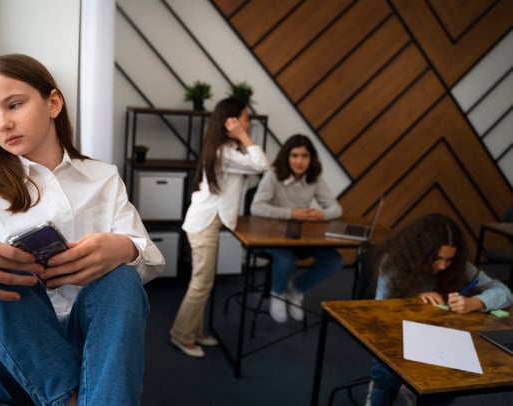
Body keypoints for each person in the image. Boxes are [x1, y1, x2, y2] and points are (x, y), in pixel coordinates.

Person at [0, 54, 165, 406]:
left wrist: (125, 249)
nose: (3, 124)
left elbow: (146, 266)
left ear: (53, 102)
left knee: (122, 278)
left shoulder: (103, 177)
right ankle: (69, 399)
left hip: (86, 339)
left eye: (14, 105)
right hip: (6, 355)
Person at [366, 213, 513, 406]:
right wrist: (415, 298)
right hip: (398, 339)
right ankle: (382, 390)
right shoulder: (394, 263)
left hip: (441, 340)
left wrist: (476, 302)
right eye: (437, 258)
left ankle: (414, 393)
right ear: (420, 251)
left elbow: (504, 292)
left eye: (449, 260)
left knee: (450, 383)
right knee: (385, 376)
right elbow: (380, 312)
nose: (443, 266)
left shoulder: (459, 266)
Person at [169, 97, 270, 358]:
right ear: (231, 122)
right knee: (201, 282)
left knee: (205, 281)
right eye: (245, 119)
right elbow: (262, 165)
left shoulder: (225, 149)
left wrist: (239, 136)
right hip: (204, 223)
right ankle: (181, 334)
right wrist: (244, 137)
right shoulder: (225, 152)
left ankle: (195, 330)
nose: (248, 125)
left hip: (206, 221)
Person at [250, 134, 343, 322]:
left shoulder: (314, 178)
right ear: (286, 157)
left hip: (302, 236)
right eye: (294, 155)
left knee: (334, 260)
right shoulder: (273, 175)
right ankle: (278, 294)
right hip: (272, 236)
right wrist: (292, 213)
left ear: (311, 158)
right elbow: (256, 207)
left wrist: (322, 214)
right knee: (286, 258)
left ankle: (297, 289)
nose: (299, 161)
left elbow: (336, 208)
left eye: (304, 156)